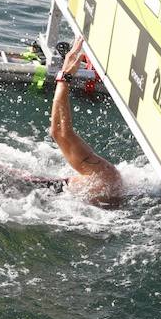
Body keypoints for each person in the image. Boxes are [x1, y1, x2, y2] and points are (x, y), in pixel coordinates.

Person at [50, 40, 123, 205]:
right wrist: (64, 77)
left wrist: (65, 76)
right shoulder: (110, 183)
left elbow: (60, 132)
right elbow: (59, 133)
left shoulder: (107, 179)